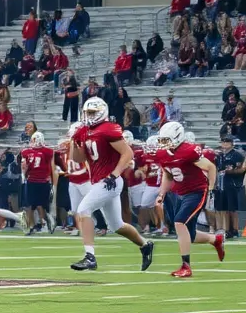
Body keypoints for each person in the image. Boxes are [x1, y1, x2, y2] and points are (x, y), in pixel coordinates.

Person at [65, 98, 154, 272]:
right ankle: (145, 245)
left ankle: (90, 257)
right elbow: (78, 159)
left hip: (110, 181)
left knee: (83, 210)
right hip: (99, 181)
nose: (89, 116)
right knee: (117, 226)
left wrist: (114, 174)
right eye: (87, 113)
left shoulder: (107, 128)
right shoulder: (85, 131)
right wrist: (74, 143)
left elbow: (128, 153)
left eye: (92, 113)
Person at [151, 122, 225, 278]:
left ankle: (186, 266)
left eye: (167, 140)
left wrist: (211, 189)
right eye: (162, 140)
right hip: (180, 193)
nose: (164, 143)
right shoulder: (163, 154)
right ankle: (215, 239)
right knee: (189, 235)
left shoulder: (188, 151)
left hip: (197, 191)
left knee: (179, 222)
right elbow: (168, 174)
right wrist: (161, 194)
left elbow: (210, 167)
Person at [20, 131, 55, 234]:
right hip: (41, 180)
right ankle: (40, 224)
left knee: (32, 205)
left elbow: (24, 167)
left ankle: (33, 225)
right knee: (39, 205)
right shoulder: (48, 151)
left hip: (34, 180)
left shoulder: (26, 151)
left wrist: (24, 176)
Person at [215, 136, 246, 238]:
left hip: (232, 183)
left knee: (232, 208)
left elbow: (240, 170)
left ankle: (235, 229)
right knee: (224, 208)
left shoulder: (237, 155)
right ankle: (227, 229)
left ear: (232, 144)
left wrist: (230, 171)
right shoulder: (219, 155)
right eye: (223, 142)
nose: (224, 144)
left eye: (227, 142)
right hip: (221, 184)